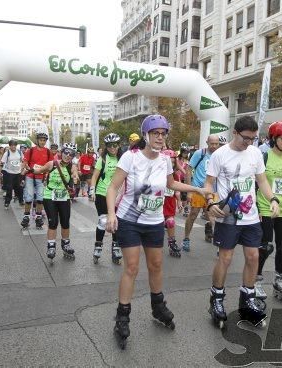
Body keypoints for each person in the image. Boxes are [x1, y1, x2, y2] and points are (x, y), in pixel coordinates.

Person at [105, 115, 208, 349]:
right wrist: (111, 214)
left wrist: (197, 188)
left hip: (153, 221)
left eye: (163, 133)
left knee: (156, 266)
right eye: (156, 133)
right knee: (131, 267)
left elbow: (171, 185)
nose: (160, 137)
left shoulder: (165, 160)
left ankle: (158, 306)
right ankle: (122, 315)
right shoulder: (130, 158)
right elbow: (113, 187)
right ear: (146, 135)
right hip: (129, 220)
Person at [205, 116, 280, 329]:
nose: (249, 143)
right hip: (228, 215)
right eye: (246, 138)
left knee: (253, 256)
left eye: (253, 139)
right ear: (235, 133)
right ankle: (216, 299)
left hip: (251, 216)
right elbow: (209, 183)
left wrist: (272, 198)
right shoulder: (219, 155)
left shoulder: (255, 153)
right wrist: (210, 203)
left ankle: (247, 299)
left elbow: (262, 180)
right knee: (225, 258)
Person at [255, 121, 282, 305]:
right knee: (265, 246)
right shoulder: (264, 157)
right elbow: (256, 183)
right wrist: (256, 209)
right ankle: (256, 280)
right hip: (265, 207)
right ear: (274, 139)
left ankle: (280, 278)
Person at [29, 143, 79, 260]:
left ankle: (66, 244)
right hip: (50, 196)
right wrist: (29, 170)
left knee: (65, 221)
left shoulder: (72, 166)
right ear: (61, 152)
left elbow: (75, 175)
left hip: (64, 196)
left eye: (71, 154)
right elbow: (40, 170)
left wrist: (75, 177)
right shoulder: (52, 164)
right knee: (53, 222)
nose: (68, 155)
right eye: (66, 152)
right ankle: (51, 245)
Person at [89, 134, 123, 265]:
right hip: (102, 193)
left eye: (115, 145)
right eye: (109, 146)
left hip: (118, 195)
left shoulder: (123, 158)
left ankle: (116, 247)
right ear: (106, 147)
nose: (112, 148)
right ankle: (98, 246)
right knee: (104, 220)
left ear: (119, 145)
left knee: (116, 222)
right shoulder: (103, 159)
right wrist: (92, 190)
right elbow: (95, 176)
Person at [183, 135, 220, 250]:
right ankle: (186, 238)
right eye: (211, 143)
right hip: (198, 189)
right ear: (207, 142)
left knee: (213, 216)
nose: (214, 146)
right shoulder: (200, 153)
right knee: (193, 214)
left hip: (212, 191)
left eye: (216, 144)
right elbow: (188, 171)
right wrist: (189, 190)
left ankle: (220, 245)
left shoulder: (220, 155)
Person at [21, 132, 54, 230]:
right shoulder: (31, 150)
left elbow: (51, 164)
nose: (43, 142)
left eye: (44, 140)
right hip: (30, 176)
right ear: (37, 140)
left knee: (40, 198)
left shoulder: (48, 152)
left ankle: (38, 217)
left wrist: (48, 173)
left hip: (41, 177)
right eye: (41, 140)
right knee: (29, 197)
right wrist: (26, 167)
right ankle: (26, 217)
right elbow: (25, 161)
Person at [163, 149, 183, 257]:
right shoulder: (156, 171)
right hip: (158, 201)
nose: (171, 163)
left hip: (170, 201)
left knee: (170, 222)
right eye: (169, 161)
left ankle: (172, 243)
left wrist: (179, 201)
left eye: (173, 161)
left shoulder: (175, 174)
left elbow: (177, 189)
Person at [1, 140, 23, 209]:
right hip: (9, 173)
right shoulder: (7, 153)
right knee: (9, 188)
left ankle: (21, 201)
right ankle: (7, 202)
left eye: (14, 145)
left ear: (16, 146)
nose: (13, 146)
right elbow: (2, 162)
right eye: (12, 145)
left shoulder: (19, 152)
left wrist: (23, 169)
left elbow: (23, 161)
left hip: (18, 173)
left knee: (19, 188)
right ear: (9, 146)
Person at [176, 147, 190, 217]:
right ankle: (179, 205)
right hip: (176, 178)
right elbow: (177, 167)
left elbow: (188, 170)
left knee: (184, 194)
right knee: (177, 194)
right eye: (184, 152)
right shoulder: (177, 159)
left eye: (187, 153)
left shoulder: (187, 161)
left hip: (184, 179)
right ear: (181, 152)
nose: (185, 154)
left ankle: (186, 208)